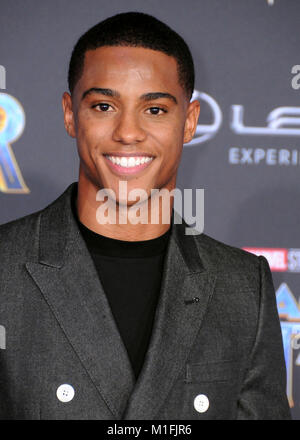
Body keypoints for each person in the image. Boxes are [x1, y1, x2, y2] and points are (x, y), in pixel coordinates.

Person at [0, 11, 291, 420]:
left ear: (188, 122)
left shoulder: (244, 288)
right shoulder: (4, 270)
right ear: (70, 115)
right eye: (103, 105)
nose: (128, 132)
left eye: (154, 110)